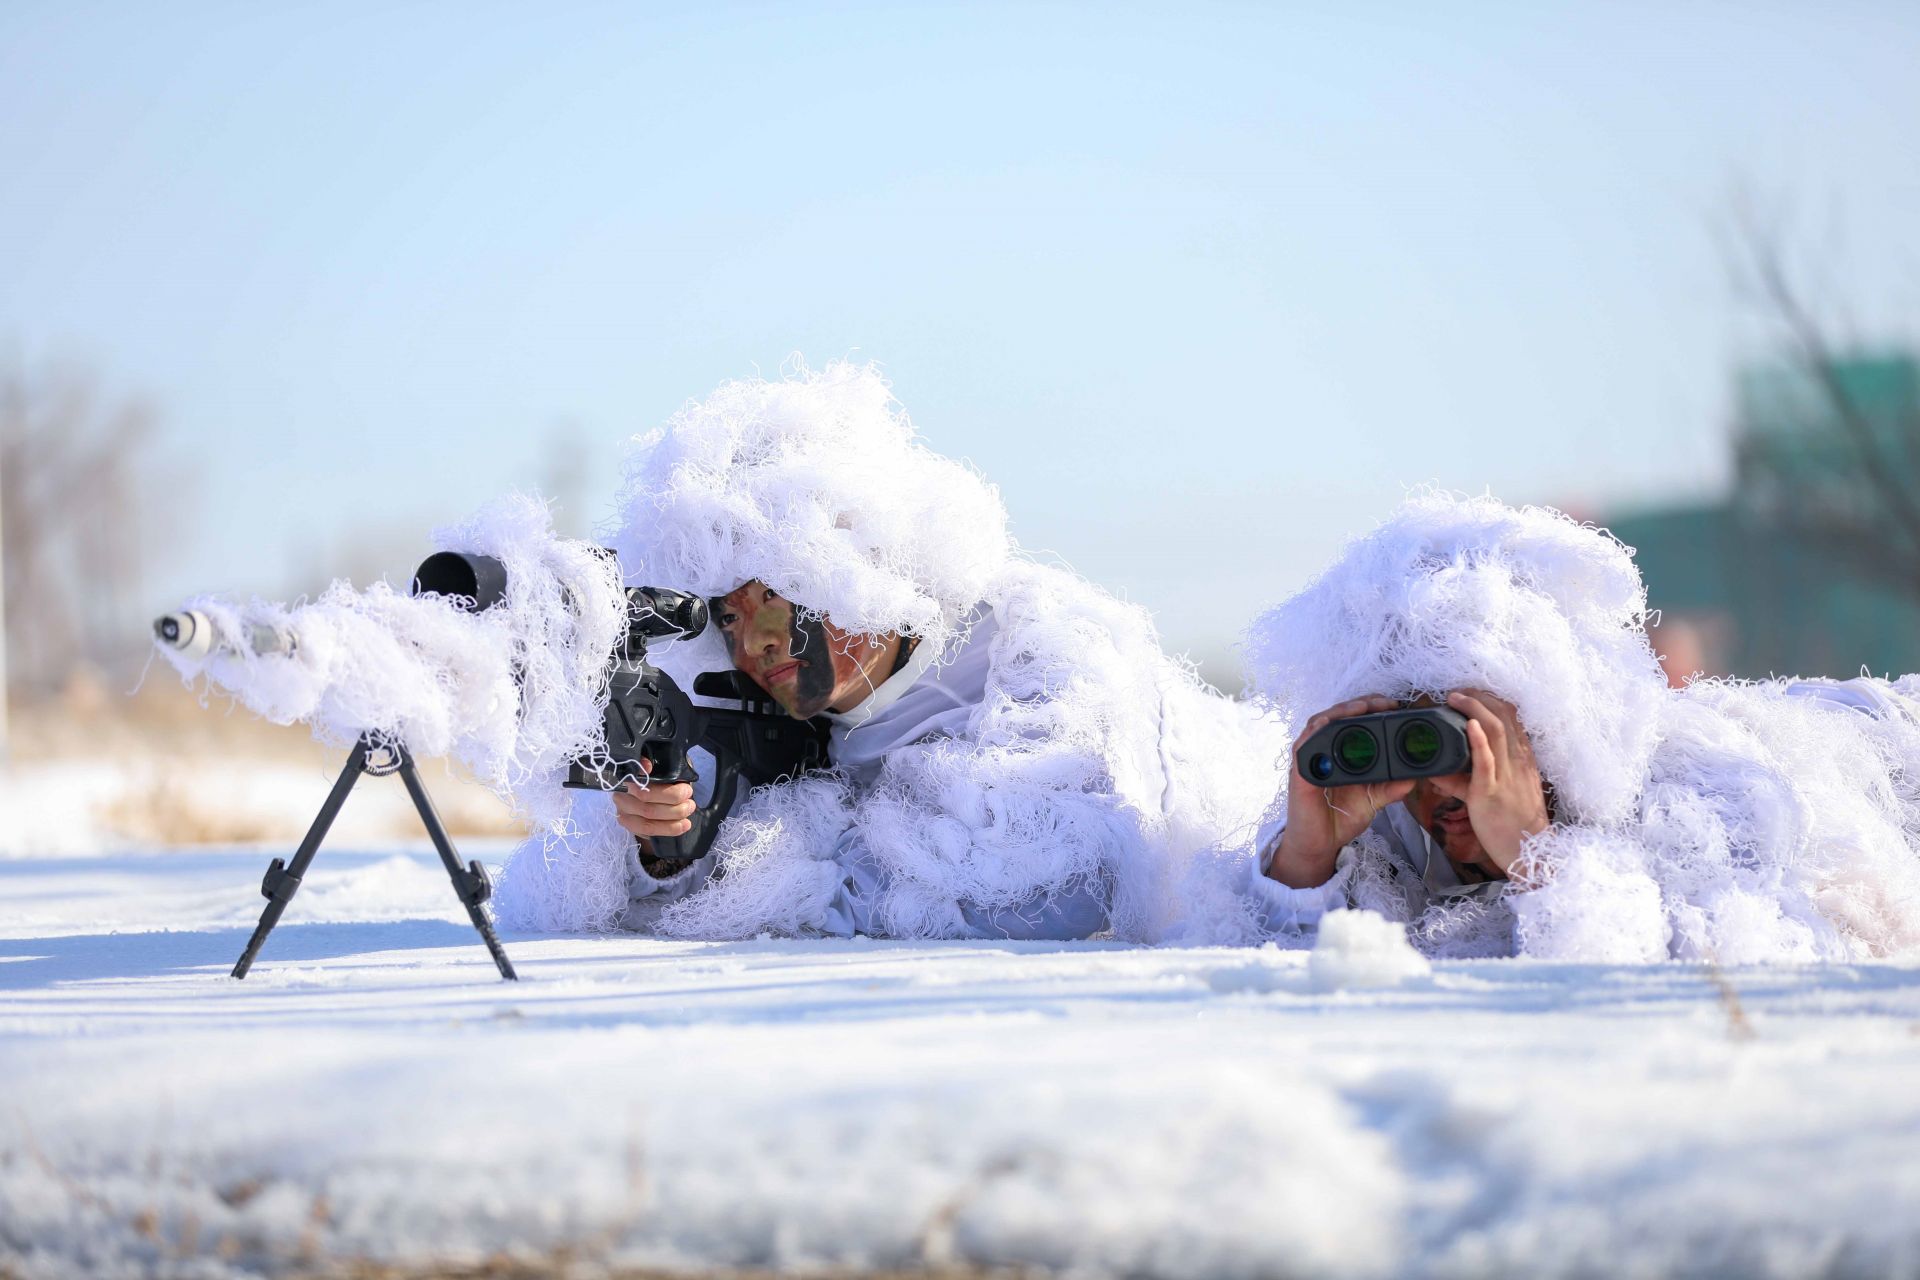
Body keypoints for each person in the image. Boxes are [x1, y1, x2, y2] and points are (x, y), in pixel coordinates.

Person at [494, 361, 1287, 942]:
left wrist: (794, 885)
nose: (752, 644)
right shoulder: (748, 699)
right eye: (727, 617)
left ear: (861, 568)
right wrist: (665, 844)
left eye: (773, 598)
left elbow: (1065, 886)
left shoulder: (1036, 646)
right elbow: (626, 883)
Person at [1204, 492, 1920, 962]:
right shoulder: (1389, 838)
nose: (1436, 781)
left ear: (1550, 724)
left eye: (1459, 729)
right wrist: (1306, 860)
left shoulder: (1699, 789)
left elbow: (1767, 955)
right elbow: (1267, 958)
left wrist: (1535, 855)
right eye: (1411, 737)